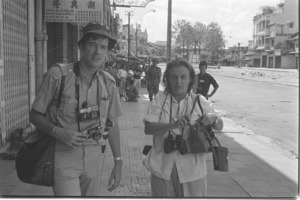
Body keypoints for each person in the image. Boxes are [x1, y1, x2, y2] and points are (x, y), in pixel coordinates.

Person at [29, 23, 123, 196]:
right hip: (63, 154)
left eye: (103, 47)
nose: (98, 52)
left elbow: (113, 123)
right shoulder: (58, 75)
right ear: (81, 46)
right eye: (92, 45)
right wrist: (58, 132)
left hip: (94, 155)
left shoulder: (108, 82)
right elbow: (34, 115)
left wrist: (118, 161)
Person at [143, 58, 223, 197]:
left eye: (183, 77)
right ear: (167, 79)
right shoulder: (160, 99)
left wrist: (213, 119)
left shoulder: (200, 101)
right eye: (173, 77)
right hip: (162, 168)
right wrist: (172, 125)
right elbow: (148, 129)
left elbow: (220, 126)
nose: (178, 81)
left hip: (192, 172)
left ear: (191, 78)